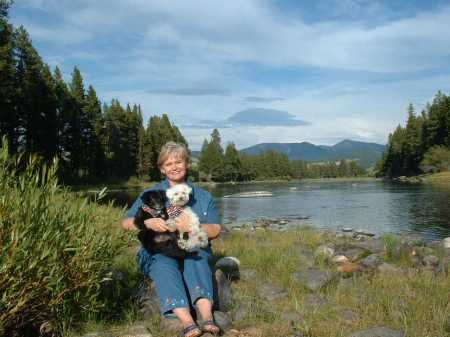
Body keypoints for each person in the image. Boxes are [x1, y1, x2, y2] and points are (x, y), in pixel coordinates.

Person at [122, 141, 222, 337]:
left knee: (197, 257)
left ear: (187, 164)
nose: (174, 167)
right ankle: (187, 322)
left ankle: (207, 317)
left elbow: (216, 229)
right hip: (160, 249)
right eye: (169, 164)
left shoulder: (203, 196)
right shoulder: (149, 195)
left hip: (192, 247)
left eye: (178, 162)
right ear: (162, 169)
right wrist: (146, 223)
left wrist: (192, 227)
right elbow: (125, 222)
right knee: (162, 263)